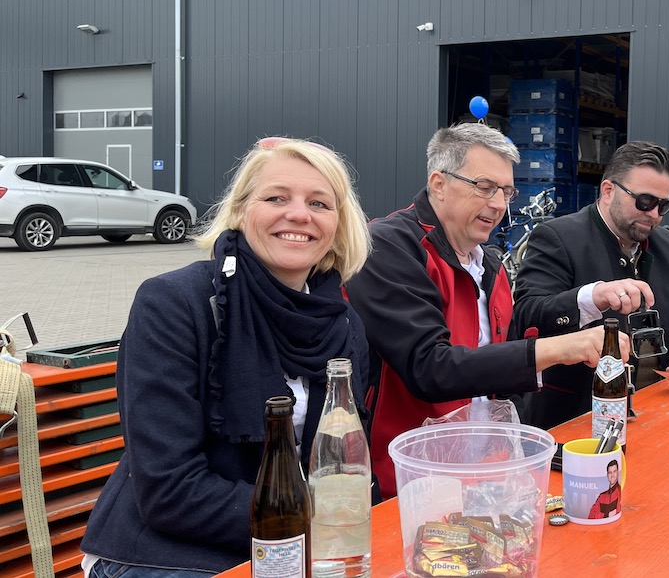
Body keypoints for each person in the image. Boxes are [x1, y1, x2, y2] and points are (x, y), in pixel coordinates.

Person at [81, 137, 373, 575]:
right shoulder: (174, 303)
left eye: (319, 203)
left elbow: (344, 465)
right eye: (276, 198)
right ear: (239, 211)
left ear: (338, 225)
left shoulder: (343, 323)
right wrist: (314, 520)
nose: (299, 214)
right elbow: (168, 490)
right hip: (167, 552)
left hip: (298, 546)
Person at [344, 122, 628, 499]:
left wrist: (586, 304)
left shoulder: (489, 264)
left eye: (507, 192)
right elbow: (431, 367)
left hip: (485, 474)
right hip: (409, 484)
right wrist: (563, 347)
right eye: (484, 187)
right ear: (439, 183)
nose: (498, 204)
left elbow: (503, 358)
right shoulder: (388, 247)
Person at [512, 140, 669, 431]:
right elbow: (527, 315)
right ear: (608, 191)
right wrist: (590, 297)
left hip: (657, 414)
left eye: (663, 205)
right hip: (576, 420)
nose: (654, 214)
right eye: (644, 201)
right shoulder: (557, 237)